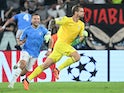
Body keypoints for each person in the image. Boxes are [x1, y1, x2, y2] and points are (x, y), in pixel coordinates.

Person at [23, 5, 85, 90]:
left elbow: (81, 37)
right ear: (76, 12)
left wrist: (80, 39)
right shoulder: (66, 20)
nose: (83, 13)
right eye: (81, 11)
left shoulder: (81, 24)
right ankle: (58, 69)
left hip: (64, 46)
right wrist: (48, 33)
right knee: (77, 57)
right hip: (60, 44)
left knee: (45, 65)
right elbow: (52, 21)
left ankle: (27, 79)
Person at [8, 13, 51, 88]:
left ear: (39, 20)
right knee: (23, 63)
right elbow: (21, 40)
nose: (36, 20)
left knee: (23, 73)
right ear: (31, 20)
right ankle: (11, 83)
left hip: (35, 54)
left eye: (38, 19)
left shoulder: (43, 29)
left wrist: (49, 49)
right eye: (35, 19)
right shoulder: (26, 30)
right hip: (26, 50)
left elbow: (51, 39)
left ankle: (18, 64)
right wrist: (19, 42)